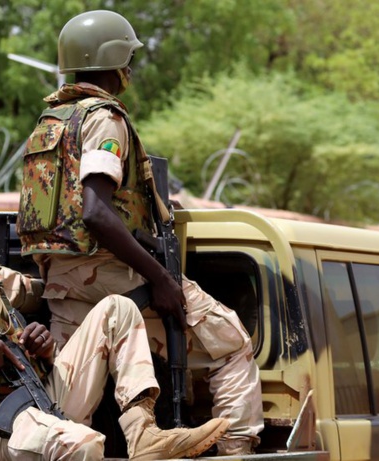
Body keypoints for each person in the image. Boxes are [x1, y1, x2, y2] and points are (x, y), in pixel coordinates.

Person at [16, 10, 263, 455]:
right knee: (231, 343)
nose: (130, 68)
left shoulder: (51, 122)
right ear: (113, 62)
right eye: (127, 58)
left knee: (71, 402)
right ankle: (235, 450)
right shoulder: (105, 120)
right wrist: (161, 279)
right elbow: (95, 211)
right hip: (111, 273)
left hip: (62, 280)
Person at [0, 171, 230, 461]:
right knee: (83, 444)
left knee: (117, 308)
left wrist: (39, 348)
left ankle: (142, 433)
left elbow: (20, 353)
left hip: (37, 402)